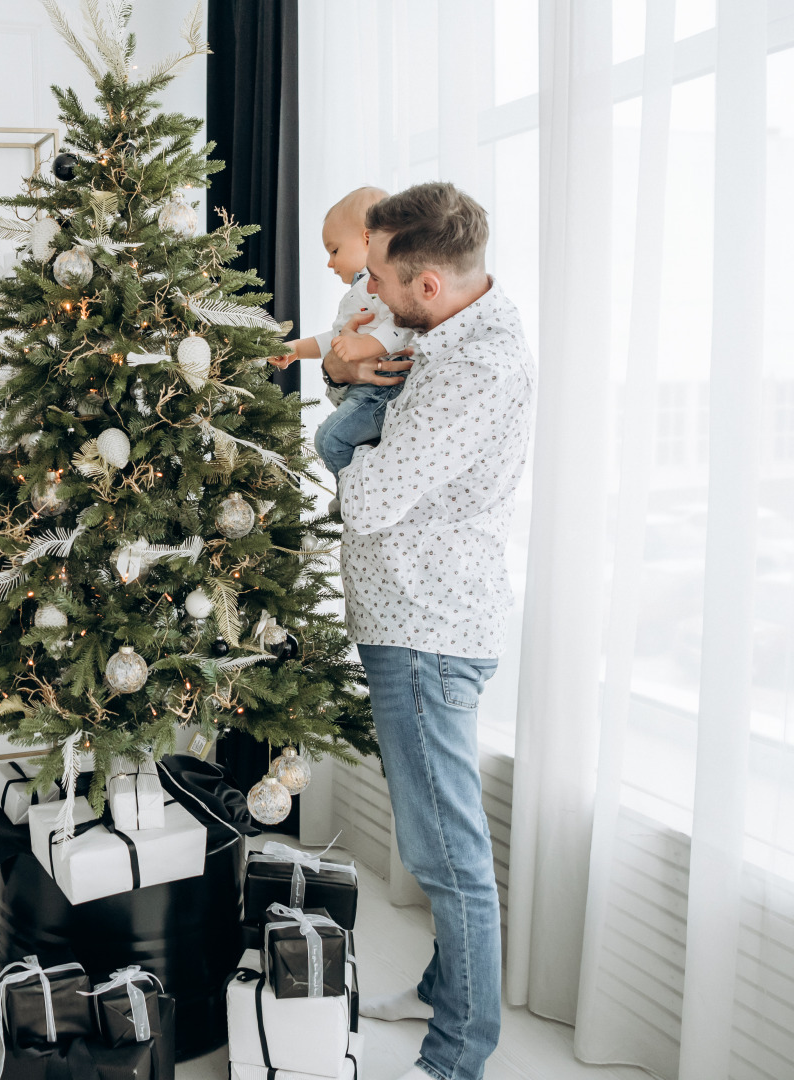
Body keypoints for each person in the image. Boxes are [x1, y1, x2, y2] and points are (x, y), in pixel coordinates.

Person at [329, 182, 536, 1080]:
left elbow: (365, 495)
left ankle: (456, 1057)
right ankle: (441, 995)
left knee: (445, 856)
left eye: (376, 275)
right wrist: (346, 375)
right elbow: (355, 372)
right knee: (441, 847)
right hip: (417, 616)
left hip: (426, 627)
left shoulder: (471, 368)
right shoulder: (442, 329)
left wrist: (344, 443)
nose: (364, 292)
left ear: (425, 285)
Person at [270, 185, 415, 487]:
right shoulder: (362, 290)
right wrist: (297, 349)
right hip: (363, 389)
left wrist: (365, 345)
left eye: (334, 250)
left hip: (380, 391)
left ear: (367, 238)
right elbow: (337, 339)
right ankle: (355, 490)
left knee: (329, 439)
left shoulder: (383, 284)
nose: (329, 263)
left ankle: (352, 495)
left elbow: (399, 324)